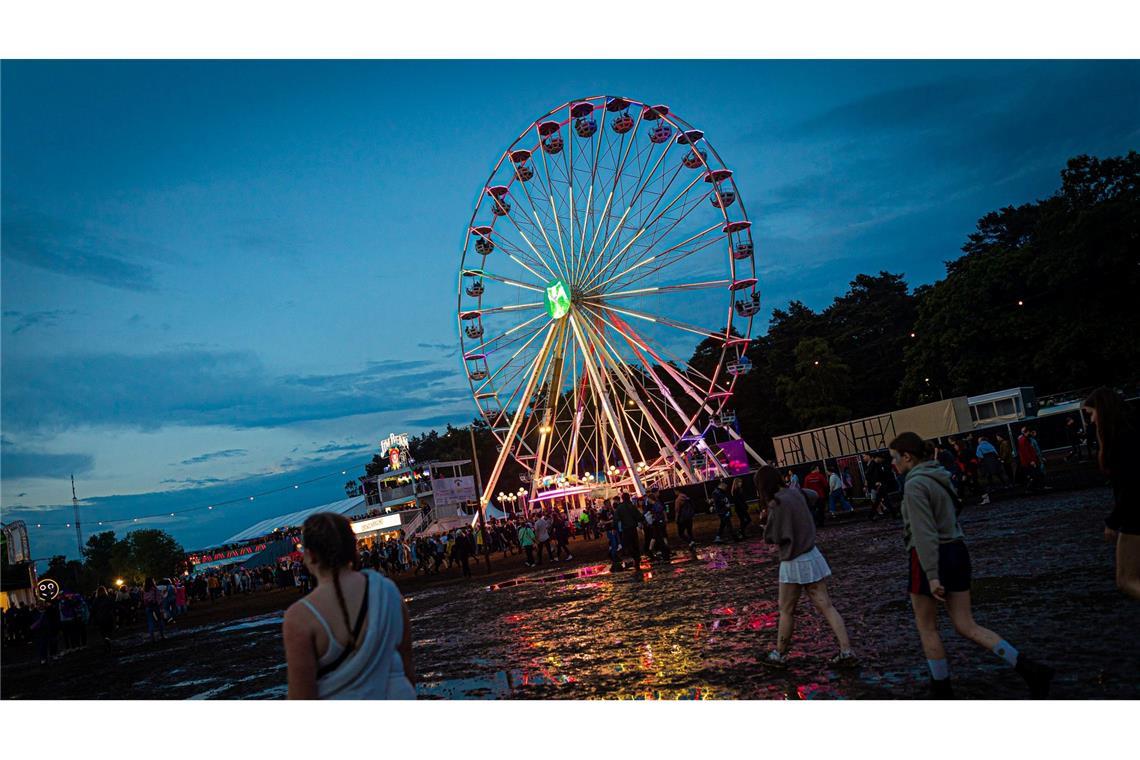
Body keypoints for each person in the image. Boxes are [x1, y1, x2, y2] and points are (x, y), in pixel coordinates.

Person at [889, 432, 1053, 698]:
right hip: (957, 549)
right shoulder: (940, 475)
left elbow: (923, 532)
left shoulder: (915, 484)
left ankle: (942, 692)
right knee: (967, 625)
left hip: (929, 555)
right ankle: (1029, 668)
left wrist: (931, 575)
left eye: (894, 458)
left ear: (907, 456)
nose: (893, 464)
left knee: (927, 628)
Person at [283, 512, 416, 699]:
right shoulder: (387, 590)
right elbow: (407, 662)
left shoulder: (300, 616)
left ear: (310, 556)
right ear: (353, 548)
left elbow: (301, 696)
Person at [756, 466, 856, 668]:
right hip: (812, 555)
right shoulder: (796, 492)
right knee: (827, 606)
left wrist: (764, 523)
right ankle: (847, 651)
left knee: (786, 610)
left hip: (793, 561)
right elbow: (813, 495)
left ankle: (780, 654)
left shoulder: (776, 504)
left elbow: (772, 537)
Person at [1082, 387, 1140, 599]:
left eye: (1091, 414)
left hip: (1134, 517)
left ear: (1102, 410)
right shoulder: (1131, 431)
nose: (1091, 421)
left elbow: (1130, 485)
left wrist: (1113, 521)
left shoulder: (1120, 440)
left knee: (1126, 581)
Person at [614, 493, 646, 572]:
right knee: (635, 544)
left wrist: (615, 527)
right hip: (632, 528)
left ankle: (633, 557)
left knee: (627, 544)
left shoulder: (620, 507)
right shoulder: (632, 506)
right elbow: (639, 516)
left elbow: (616, 518)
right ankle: (637, 558)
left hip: (625, 529)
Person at [142, 578, 166, 642]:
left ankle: (152, 638)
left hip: (148, 607)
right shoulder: (155, 589)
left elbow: (144, 600)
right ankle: (162, 635)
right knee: (160, 621)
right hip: (155, 606)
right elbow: (160, 599)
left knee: (150, 622)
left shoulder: (144, 590)